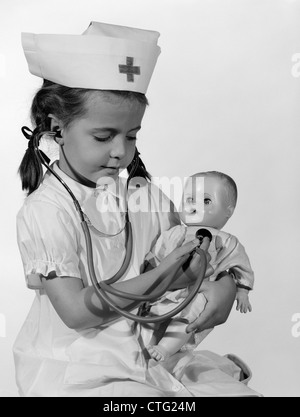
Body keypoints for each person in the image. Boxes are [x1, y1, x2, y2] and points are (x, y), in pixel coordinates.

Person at [14, 21, 260, 397]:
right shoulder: (47, 211)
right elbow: (77, 312)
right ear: (56, 128)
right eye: (103, 136)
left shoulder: (144, 196)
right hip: (80, 368)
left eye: (131, 136)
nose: (120, 151)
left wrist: (226, 288)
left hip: (151, 356)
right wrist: (164, 277)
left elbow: (200, 251)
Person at [146, 171, 254, 362]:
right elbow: (157, 254)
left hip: (198, 293)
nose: (194, 205)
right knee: (153, 313)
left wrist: (242, 291)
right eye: (189, 199)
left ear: (229, 210)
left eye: (206, 201)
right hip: (167, 290)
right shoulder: (174, 232)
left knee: (189, 317)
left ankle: (165, 349)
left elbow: (241, 265)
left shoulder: (227, 241)